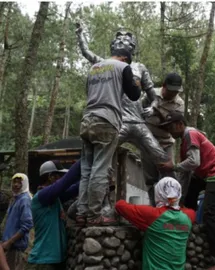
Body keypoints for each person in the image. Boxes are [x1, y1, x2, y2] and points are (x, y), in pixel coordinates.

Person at [75, 26, 169, 204]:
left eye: (126, 41)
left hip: (139, 122)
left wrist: (153, 107)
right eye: (119, 41)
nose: (122, 43)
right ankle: (103, 205)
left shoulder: (139, 67)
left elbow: (152, 93)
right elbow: (86, 53)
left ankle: (167, 201)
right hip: (117, 122)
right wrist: (80, 35)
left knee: (161, 157)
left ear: (132, 47)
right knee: (103, 164)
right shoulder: (105, 64)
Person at [159, 111, 215, 270]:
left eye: (171, 127)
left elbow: (193, 162)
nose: (169, 131)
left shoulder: (190, 134)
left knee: (210, 213)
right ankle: (189, 223)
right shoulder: (184, 143)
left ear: (180, 124)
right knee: (189, 197)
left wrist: (172, 166)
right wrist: (178, 200)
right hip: (204, 175)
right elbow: (187, 174)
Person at [76, 47, 141, 226]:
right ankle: (94, 215)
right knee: (100, 168)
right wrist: (136, 82)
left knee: (86, 170)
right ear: (124, 58)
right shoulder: (122, 67)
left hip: (87, 120)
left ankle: (81, 213)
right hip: (107, 121)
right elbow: (134, 95)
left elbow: (88, 92)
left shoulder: (94, 68)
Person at [115, 177, 196, 270]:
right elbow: (181, 209)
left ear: (158, 193)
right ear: (179, 193)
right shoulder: (189, 216)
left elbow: (120, 205)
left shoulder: (152, 215)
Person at [27, 160, 80, 270]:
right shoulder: (42, 196)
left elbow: (75, 188)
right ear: (51, 177)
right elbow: (66, 181)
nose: (61, 179)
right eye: (59, 176)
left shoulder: (56, 198)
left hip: (54, 261)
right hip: (43, 262)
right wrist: (86, 158)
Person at [142, 72, 185, 205]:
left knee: (168, 175)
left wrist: (156, 112)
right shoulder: (151, 94)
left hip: (166, 143)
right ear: (164, 86)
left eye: (176, 91)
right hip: (147, 140)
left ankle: (172, 206)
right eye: (171, 91)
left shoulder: (179, 103)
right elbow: (139, 110)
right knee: (150, 178)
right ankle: (154, 206)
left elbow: (173, 127)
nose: (174, 94)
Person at [1, 173, 33, 270]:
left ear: (25, 184)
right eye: (14, 182)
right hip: (9, 246)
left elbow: (27, 224)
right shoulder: (16, 199)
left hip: (16, 247)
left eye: (20, 182)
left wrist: (10, 242)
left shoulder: (25, 200)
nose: (16, 185)